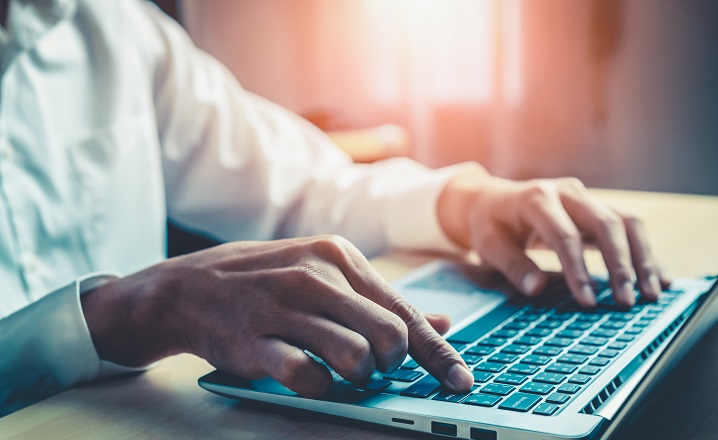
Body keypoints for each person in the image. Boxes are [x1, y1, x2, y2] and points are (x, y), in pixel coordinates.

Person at [0, 0, 668, 417]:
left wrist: (462, 201)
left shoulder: (113, 26)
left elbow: (296, 187)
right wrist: (118, 312)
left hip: (146, 439)